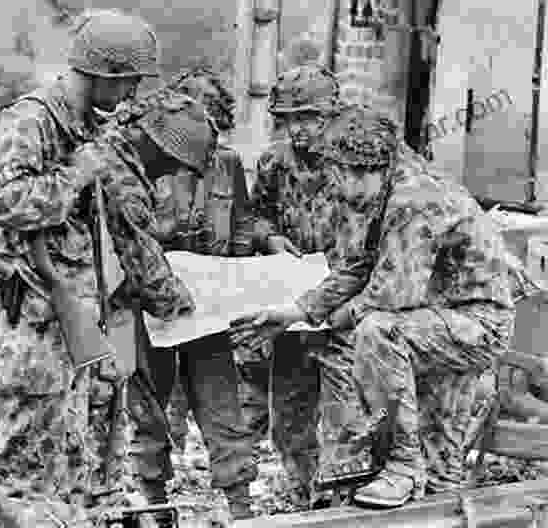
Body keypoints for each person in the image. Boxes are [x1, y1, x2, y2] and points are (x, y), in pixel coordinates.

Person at [0, 9, 217, 523]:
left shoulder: (89, 124)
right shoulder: (34, 119)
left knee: (76, 471)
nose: (131, 93)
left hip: (77, 319)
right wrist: (80, 170)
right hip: (38, 325)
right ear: (104, 73)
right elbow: (1, 200)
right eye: (128, 81)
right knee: (24, 478)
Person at [230, 101, 515, 508]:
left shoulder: (414, 197)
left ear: (350, 169)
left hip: (472, 324)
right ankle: (422, 486)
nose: (337, 194)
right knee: (439, 467)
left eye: (335, 178)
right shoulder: (384, 189)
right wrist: (300, 311)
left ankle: (401, 466)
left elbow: (392, 296)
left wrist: (329, 321)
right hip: (431, 323)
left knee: (376, 331)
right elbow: (359, 265)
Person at [130, 66, 257, 523]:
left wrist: (239, 275)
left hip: (209, 306)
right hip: (152, 303)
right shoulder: (145, 164)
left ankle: (240, 504)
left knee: (222, 404)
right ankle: (156, 505)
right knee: (149, 407)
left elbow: (242, 221)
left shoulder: (227, 163)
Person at [229, 63, 344, 509]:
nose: (299, 130)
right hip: (292, 300)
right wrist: (271, 238)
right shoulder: (275, 162)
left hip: (343, 300)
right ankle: (303, 492)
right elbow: (256, 216)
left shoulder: (355, 159)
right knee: (291, 408)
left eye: (309, 118)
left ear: (331, 115)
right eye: (290, 119)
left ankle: (343, 493)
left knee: (345, 406)